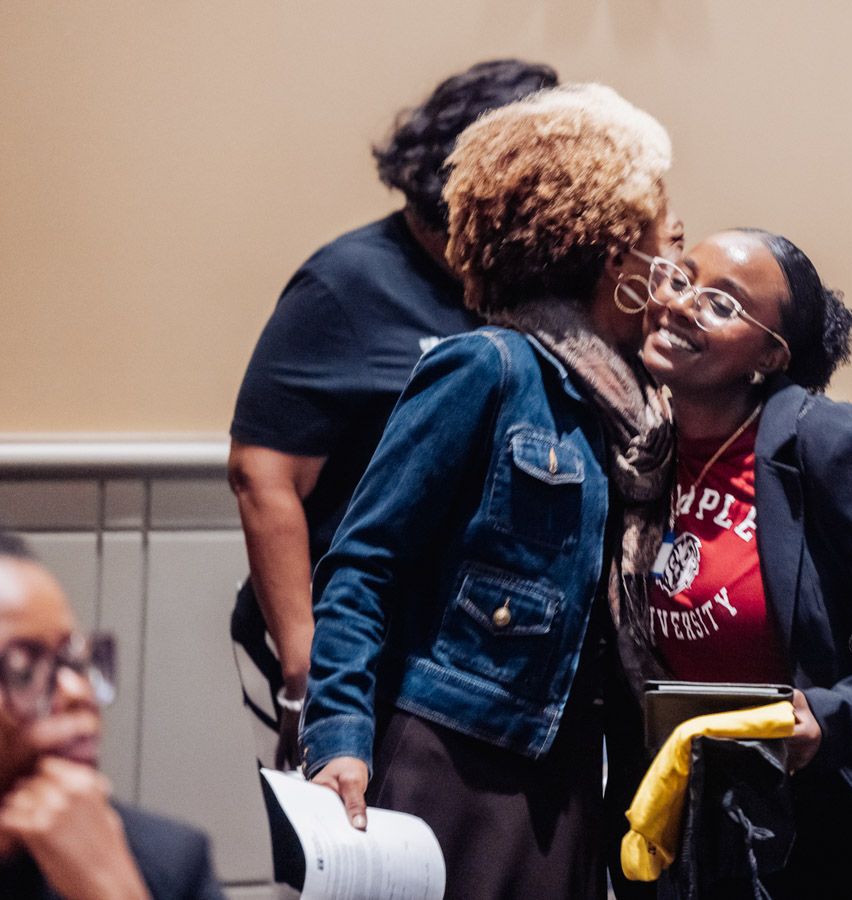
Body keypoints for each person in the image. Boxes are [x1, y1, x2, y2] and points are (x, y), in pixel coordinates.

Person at [300, 83, 683, 900]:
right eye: (660, 233)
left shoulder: (643, 413)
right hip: (454, 757)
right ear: (614, 255)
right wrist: (338, 739)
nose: (672, 256)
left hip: (569, 776)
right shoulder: (488, 368)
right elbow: (364, 563)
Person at [627, 230, 852, 898]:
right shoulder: (643, 451)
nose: (678, 304)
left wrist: (833, 716)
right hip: (692, 821)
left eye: (721, 303)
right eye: (679, 279)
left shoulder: (829, 443)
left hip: (822, 828)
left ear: (770, 354)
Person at [227, 59, 560, 768]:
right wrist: (305, 662)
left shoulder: (526, 287)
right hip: (344, 639)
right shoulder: (347, 283)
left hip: (455, 651)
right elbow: (263, 476)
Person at [0, 532, 226, 900]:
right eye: (23, 667)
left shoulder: (168, 862)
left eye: (74, 659)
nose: (78, 691)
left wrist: (113, 891)